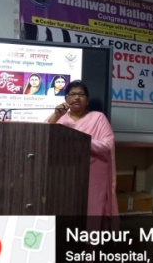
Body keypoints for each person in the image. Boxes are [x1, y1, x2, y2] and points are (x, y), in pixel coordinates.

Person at [47, 80, 117, 220]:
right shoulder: (58, 118)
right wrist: (55, 116)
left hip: (92, 174)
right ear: (66, 99)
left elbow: (107, 145)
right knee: (64, 209)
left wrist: (80, 141)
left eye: (81, 94)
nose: (77, 98)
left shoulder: (98, 118)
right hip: (63, 173)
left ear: (87, 100)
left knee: (92, 210)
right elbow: (44, 138)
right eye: (72, 94)